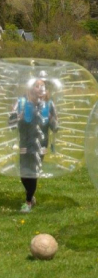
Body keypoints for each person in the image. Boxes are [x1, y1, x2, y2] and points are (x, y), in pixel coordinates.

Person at [8, 77, 58, 213]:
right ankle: (30, 195)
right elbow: (11, 125)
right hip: (25, 144)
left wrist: (53, 122)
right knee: (24, 175)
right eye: (37, 86)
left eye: (43, 86)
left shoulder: (49, 104)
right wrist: (18, 117)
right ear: (31, 88)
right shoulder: (21, 103)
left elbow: (55, 126)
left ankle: (28, 201)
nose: (41, 88)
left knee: (33, 173)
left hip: (40, 145)